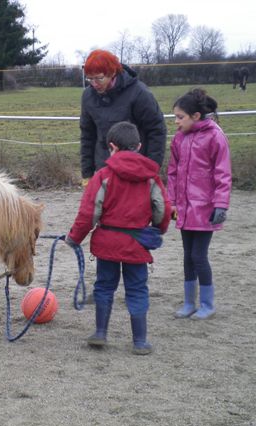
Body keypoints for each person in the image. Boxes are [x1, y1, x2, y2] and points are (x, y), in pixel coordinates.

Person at [66, 121, 171, 355]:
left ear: (111, 147)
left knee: (104, 286)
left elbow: (88, 212)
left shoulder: (103, 176)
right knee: (137, 289)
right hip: (136, 245)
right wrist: (157, 230)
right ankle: (140, 341)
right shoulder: (151, 178)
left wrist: (74, 238)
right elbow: (162, 209)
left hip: (107, 245)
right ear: (139, 146)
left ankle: (101, 333)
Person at [167, 88, 232, 320]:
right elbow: (172, 173)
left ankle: (207, 304)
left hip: (205, 209)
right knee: (187, 256)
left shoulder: (215, 136)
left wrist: (221, 205)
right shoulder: (178, 139)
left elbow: (223, 173)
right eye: (174, 116)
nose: (175, 122)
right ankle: (188, 302)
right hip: (184, 209)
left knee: (198, 256)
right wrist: (172, 202)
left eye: (180, 117)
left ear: (195, 116)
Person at [80, 49, 167, 185]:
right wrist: (87, 173)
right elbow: (87, 134)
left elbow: (156, 130)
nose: (94, 83)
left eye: (99, 78)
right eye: (90, 78)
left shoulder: (139, 93)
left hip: (135, 170)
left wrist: (152, 168)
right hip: (104, 170)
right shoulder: (88, 97)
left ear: (112, 73)